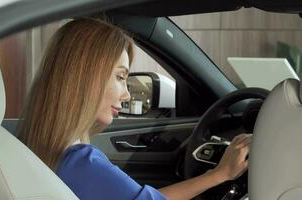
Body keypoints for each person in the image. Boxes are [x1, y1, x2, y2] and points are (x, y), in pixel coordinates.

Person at [19, 18, 251, 200]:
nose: (127, 94)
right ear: (86, 77)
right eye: (120, 77)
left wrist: (218, 175)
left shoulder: (36, 147)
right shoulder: (81, 163)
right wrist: (220, 174)